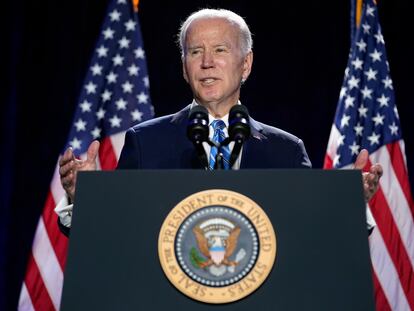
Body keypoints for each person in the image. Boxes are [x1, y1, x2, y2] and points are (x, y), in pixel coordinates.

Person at [56, 9, 382, 235]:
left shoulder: (286, 150)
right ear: (184, 68)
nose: (207, 62)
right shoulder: (145, 142)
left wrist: (346, 204)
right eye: (195, 52)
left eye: (220, 49)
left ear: (246, 64)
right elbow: (116, 232)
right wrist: (84, 199)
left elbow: (310, 234)